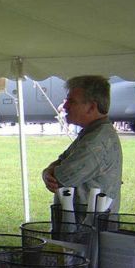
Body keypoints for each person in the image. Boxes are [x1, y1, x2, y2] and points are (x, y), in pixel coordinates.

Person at [42, 75, 123, 213]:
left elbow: (60, 179)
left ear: (91, 107)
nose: (65, 106)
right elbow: (62, 160)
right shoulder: (93, 133)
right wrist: (47, 171)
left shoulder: (96, 141)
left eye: (71, 101)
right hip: (84, 227)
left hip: (88, 230)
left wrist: (48, 172)